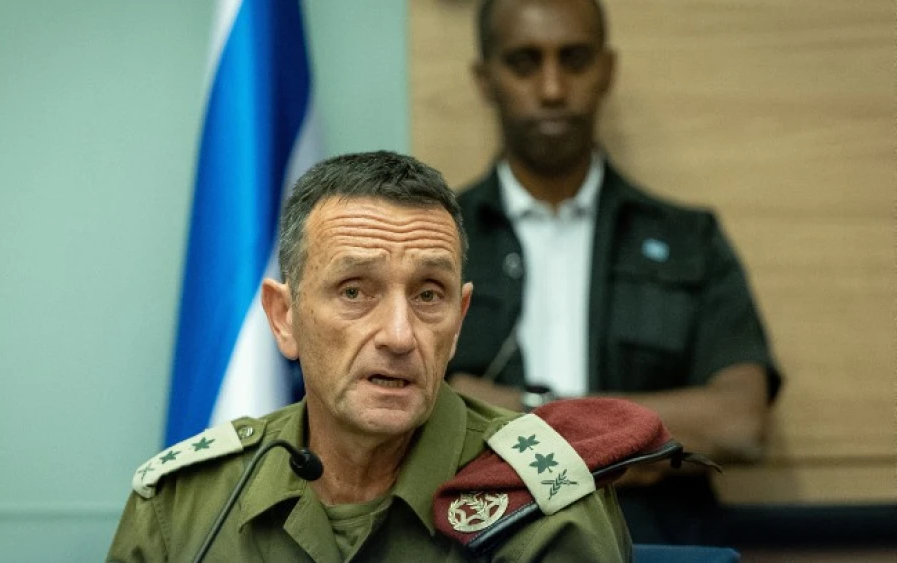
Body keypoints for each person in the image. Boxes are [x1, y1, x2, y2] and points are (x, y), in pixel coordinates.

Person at [107, 151, 660, 562]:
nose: (399, 335)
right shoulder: (184, 505)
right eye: (354, 291)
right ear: (284, 317)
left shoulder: (544, 504)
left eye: (429, 295)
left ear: (459, 319)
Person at [446, 0, 782, 545]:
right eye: (525, 63)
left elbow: (739, 423)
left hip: (654, 542)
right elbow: (415, 418)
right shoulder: (435, 243)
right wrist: (638, 444)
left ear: (606, 70)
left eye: (574, 59)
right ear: (485, 79)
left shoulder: (689, 239)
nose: (552, 88)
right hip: (482, 541)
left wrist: (527, 413)